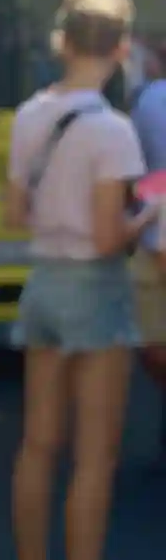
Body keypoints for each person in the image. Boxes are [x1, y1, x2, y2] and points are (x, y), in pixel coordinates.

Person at [5, 0, 162, 560]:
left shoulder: (30, 114)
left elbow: (16, 215)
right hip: (93, 290)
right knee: (94, 456)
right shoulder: (111, 129)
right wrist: (150, 212)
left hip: (41, 283)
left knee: (39, 443)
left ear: (63, 42)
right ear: (121, 49)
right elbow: (108, 238)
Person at [129, 54, 166, 446]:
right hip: (154, 227)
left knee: (152, 345)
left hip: (152, 227)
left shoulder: (150, 98)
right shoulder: (155, 98)